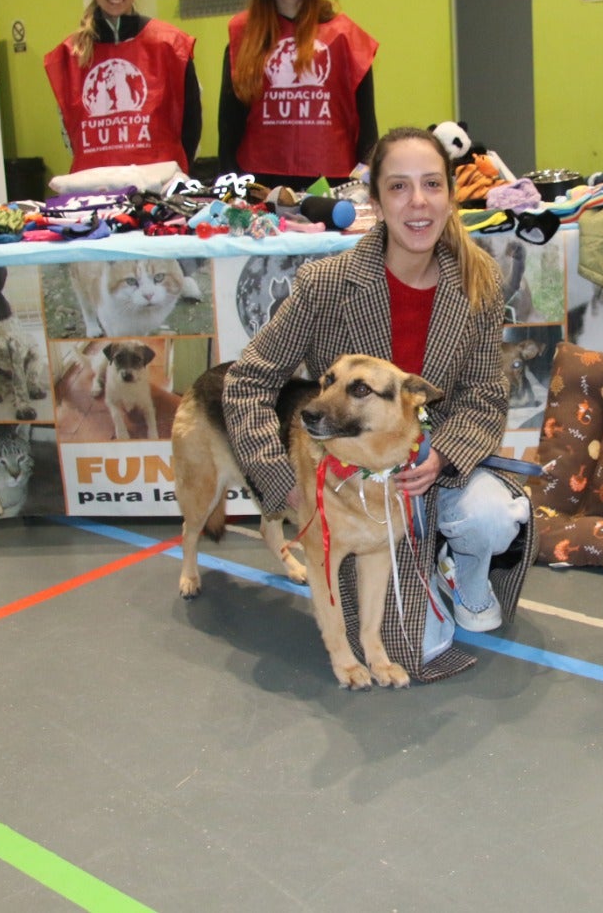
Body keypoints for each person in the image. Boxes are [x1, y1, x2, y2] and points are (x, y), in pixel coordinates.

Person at [223, 126, 530, 681]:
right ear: (375, 201)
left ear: (451, 193)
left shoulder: (479, 282)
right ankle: (413, 573)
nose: (418, 202)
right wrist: (279, 479)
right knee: (414, 651)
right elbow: (247, 380)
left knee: (492, 516)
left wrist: (444, 457)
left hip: (427, 476)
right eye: (399, 187)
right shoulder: (326, 284)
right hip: (349, 491)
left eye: (432, 184)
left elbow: (486, 395)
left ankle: (461, 569)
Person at [218, 0, 379, 190]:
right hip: (259, 180)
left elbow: (366, 123)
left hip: (332, 179)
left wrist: (367, 181)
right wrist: (228, 182)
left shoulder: (346, 36)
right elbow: (229, 122)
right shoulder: (245, 35)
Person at [43, 0, 201, 174]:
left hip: (159, 190)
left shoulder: (171, 45)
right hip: (95, 192)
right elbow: (70, 137)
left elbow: (191, 125)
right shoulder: (69, 55)